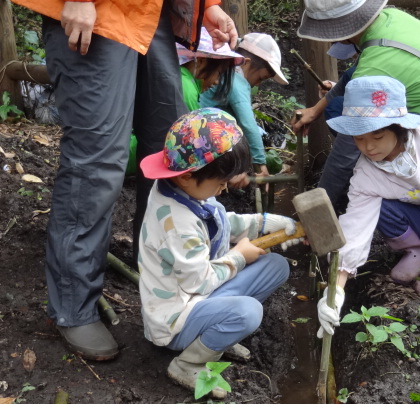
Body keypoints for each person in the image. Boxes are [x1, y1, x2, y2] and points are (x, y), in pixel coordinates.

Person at [11, 0, 238, 361]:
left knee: (172, 148)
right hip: (101, 13)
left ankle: (161, 267)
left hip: (152, 15)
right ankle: (74, 306)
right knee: (97, 160)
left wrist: (207, 6)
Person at [314, 76, 420, 339]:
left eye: (377, 135)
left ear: (398, 128)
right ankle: (416, 250)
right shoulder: (365, 175)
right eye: (359, 139)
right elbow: (356, 226)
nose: (369, 147)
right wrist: (335, 289)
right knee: (379, 206)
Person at [138, 108, 296, 398]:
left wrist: (265, 223)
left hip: (200, 294)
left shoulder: (190, 191)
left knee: (276, 266)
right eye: (220, 183)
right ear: (187, 176)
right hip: (176, 318)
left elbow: (221, 222)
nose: (223, 189)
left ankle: (216, 336)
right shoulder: (177, 224)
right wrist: (239, 256)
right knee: (249, 312)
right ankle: (188, 362)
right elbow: (199, 282)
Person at [293, 0, 420, 212]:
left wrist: (318, 206)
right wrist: (315, 110)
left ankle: (386, 186)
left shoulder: (376, 62)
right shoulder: (392, 19)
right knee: (337, 108)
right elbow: (352, 75)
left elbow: (343, 155)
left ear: (338, 33)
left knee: (353, 125)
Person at [127, 28, 245, 176]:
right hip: (136, 154)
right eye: (218, 73)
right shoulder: (187, 88)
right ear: (201, 61)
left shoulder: (178, 77)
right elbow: (195, 139)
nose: (216, 82)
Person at [200, 33, 288, 183]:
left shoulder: (227, 73)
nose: (258, 84)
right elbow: (248, 124)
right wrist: (260, 164)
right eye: (260, 78)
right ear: (246, 63)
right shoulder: (237, 81)